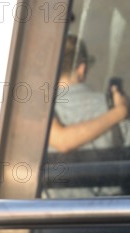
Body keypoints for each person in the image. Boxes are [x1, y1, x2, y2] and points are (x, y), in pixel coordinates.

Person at [45, 34, 129, 198]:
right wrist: (121, 112)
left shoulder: (39, 113)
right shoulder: (114, 107)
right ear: (82, 69)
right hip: (111, 217)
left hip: (51, 218)